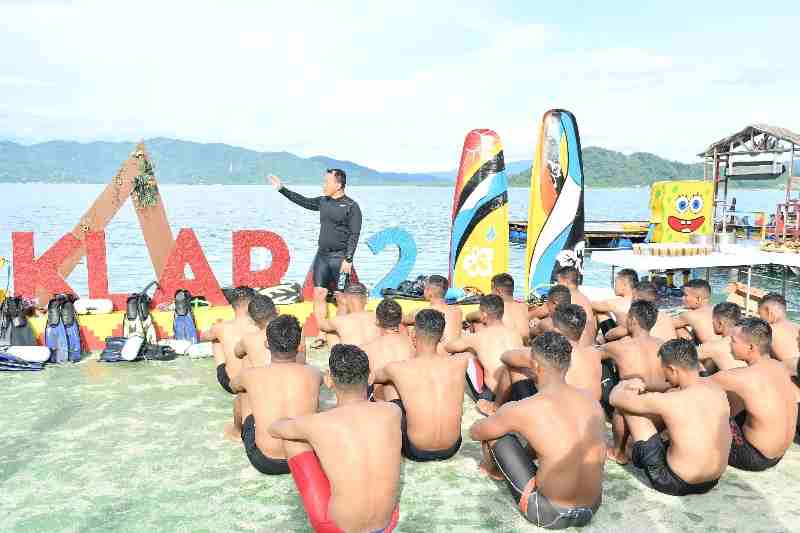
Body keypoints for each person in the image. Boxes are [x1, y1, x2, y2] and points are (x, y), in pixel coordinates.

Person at [469, 332, 605, 529]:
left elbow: (477, 432)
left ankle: (490, 470)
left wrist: (498, 417)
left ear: (535, 365)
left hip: (549, 514)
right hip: (591, 508)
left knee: (495, 432)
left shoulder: (525, 408)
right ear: (568, 365)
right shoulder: (592, 402)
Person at [269, 344, 402, 532]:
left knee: (293, 439)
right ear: (370, 377)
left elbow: (274, 429)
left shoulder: (318, 423)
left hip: (338, 529)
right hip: (388, 523)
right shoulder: (393, 412)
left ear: (328, 380)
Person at [609, 339, 731, 496]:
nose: (664, 377)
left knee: (628, 409)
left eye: (664, 371)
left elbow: (615, 398)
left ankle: (617, 453)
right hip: (712, 480)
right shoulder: (717, 391)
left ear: (672, 370)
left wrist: (625, 384)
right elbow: (670, 389)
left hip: (675, 482)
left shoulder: (671, 401)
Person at [269, 169, 362, 335]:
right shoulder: (323, 202)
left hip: (340, 257)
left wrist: (348, 259)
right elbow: (303, 201)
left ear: (338, 185)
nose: (323, 185)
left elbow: (355, 234)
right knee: (319, 293)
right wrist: (282, 189)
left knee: (341, 297)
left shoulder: (351, 206)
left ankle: (338, 332)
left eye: (327, 182)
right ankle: (322, 332)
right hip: (322, 256)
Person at [372, 309, 469, 461]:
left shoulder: (397, 368)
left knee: (388, 384)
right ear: (442, 337)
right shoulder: (461, 362)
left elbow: (370, 378)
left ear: (413, 335)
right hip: (452, 447)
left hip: (415, 450)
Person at [230, 315, 322, 475]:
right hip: (305, 458)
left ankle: (236, 431)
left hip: (267, 461)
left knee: (242, 394)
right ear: (299, 346)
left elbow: (233, 386)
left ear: (267, 344)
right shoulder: (315, 374)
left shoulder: (250, 375)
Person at [712, 317, 798, 471]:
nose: (728, 344)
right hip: (777, 454)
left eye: (733, 341)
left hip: (753, 457)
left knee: (704, 407)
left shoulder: (740, 377)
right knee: (739, 398)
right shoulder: (782, 367)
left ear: (751, 347)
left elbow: (692, 387)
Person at [485, 304, 602, 415]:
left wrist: (530, 358)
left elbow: (505, 357)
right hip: (588, 415)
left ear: (556, 331)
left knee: (512, 368)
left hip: (558, 419)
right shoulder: (594, 353)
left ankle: (495, 408)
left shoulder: (550, 353)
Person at [599, 300, 668, 464]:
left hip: (632, 411)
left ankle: (619, 452)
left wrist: (602, 342)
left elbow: (591, 355)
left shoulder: (620, 346)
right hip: (660, 413)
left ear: (633, 320)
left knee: (622, 398)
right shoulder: (664, 345)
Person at [201, 286, 257, 439]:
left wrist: (215, 327)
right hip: (257, 380)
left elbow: (203, 336)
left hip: (231, 383)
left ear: (233, 306)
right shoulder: (260, 325)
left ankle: (235, 430)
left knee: (216, 341)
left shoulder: (223, 327)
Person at [444, 295, 523, 402]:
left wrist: (465, 339)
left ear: (484, 315)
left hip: (495, 396)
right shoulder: (515, 334)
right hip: (519, 392)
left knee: (464, 355)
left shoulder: (478, 337)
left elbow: (449, 347)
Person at [362, 298, 414, 401]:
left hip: (382, 406)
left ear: (377, 320)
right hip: (410, 404)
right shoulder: (414, 345)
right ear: (400, 319)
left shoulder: (366, 349)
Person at [402, 275, 463, 354]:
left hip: (437, 355)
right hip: (454, 353)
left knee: (409, 327)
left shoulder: (421, 312)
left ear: (429, 291)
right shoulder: (457, 310)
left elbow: (401, 319)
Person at [465, 273, 530, 344]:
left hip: (505, 348)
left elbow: (471, 317)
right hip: (523, 347)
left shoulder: (497, 307)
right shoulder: (524, 307)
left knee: (476, 323)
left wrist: (468, 316)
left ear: (498, 291)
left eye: (491, 289)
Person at [603, 281, 676, 342]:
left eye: (632, 298)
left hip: (647, 356)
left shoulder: (638, 317)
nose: (631, 301)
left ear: (637, 299)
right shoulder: (666, 317)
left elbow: (609, 335)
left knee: (625, 339)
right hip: (669, 355)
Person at [314, 282, 379, 347]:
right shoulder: (378, 317)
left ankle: (337, 355)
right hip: (375, 355)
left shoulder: (338, 321)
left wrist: (319, 301)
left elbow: (321, 325)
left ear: (344, 300)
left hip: (352, 355)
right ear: (367, 300)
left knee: (331, 333)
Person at [233, 294, 289, 368]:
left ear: (253, 321)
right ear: (277, 311)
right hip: (291, 376)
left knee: (246, 357)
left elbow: (237, 353)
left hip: (261, 377)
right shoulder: (294, 331)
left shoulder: (248, 339)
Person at [554, 266, 597, 346]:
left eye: (558, 281)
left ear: (566, 282)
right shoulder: (585, 298)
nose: (556, 285)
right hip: (590, 345)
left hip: (577, 346)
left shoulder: (565, 297)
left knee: (543, 324)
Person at [698, 302, 745, 372]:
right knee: (711, 361)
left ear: (720, 324)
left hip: (729, 381)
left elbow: (680, 357)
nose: (712, 324)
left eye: (713, 322)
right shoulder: (748, 341)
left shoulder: (715, 346)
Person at [593, 268, 638, 341]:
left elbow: (591, 304)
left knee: (599, 311)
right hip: (634, 340)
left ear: (624, 285)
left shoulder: (617, 303)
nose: (614, 286)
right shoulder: (639, 301)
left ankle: (591, 341)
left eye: (615, 283)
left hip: (620, 342)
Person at [672, 279, 719, 344]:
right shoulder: (717, 308)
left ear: (698, 299)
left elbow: (666, 323)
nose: (682, 298)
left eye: (685, 295)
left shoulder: (690, 315)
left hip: (708, 351)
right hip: (728, 349)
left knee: (679, 329)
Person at [758, 292, 800, 362]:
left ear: (768, 311)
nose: (760, 318)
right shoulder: (797, 326)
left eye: (760, 313)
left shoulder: (769, 330)